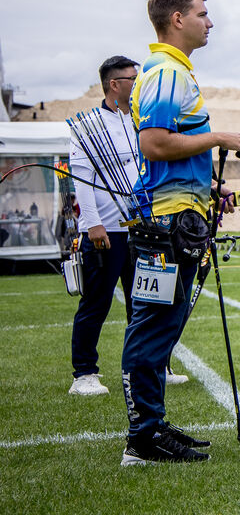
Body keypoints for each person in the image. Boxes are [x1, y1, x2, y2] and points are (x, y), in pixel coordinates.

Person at [120, 0, 240, 465]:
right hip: (167, 225)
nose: (209, 22)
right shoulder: (167, 73)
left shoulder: (170, 71)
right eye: (202, 13)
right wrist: (218, 136)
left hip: (179, 215)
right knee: (153, 325)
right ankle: (142, 437)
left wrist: (208, 189)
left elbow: (165, 158)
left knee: (162, 325)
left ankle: (150, 425)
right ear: (177, 19)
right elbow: (154, 144)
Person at [67, 56, 140, 396]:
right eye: (132, 78)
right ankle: (84, 374)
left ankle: (149, 365)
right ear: (115, 85)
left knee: (143, 301)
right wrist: (92, 223)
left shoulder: (138, 121)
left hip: (139, 227)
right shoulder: (89, 127)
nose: (137, 83)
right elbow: (82, 180)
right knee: (96, 302)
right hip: (105, 231)